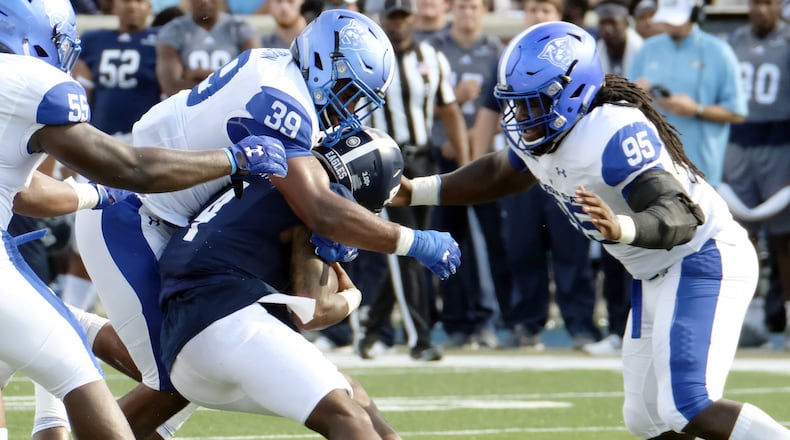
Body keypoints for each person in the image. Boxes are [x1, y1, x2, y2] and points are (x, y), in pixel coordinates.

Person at [394, 20, 790, 440]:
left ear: (573, 92)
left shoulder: (611, 133)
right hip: (653, 270)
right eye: (518, 103)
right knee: (646, 418)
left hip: (702, 257)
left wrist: (620, 225)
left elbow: (679, 213)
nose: (522, 116)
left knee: (687, 404)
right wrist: (415, 191)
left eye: (534, 102)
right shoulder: (551, 131)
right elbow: (501, 172)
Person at [74, 9, 460, 438]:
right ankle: (63, 333)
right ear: (321, 64)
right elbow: (321, 207)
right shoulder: (285, 98)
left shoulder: (280, 70)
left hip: (169, 217)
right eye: (349, 93)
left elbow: (347, 186)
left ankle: (65, 334)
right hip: (131, 213)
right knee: (169, 376)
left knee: (179, 376)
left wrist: (430, 191)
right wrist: (411, 240)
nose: (350, 112)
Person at [0, 0, 287, 438]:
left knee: (40, 353)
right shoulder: (28, 81)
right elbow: (132, 168)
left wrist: (96, 194)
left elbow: (24, 192)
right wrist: (232, 158)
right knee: (75, 369)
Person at [159, 128, 404, 440]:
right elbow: (314, 311)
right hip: (227, 321)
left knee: (352, 394)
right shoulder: (321, 198)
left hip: (182, 348)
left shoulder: (273, 173)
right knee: (345, 416)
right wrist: (353, 297)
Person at [471, 0, 602, 350]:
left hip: (569, 166)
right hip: (525, 166)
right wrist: (477, 163)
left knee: (571, 249)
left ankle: (581, 325)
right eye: (530, 9)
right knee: (523, 249)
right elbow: (488, 110)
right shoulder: (510, 58)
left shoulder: (576, 58)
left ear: (558, 14)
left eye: (544, 9)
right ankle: (527, 323)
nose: (537, 15)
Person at [353, 0, 468, 361]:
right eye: (392, 17)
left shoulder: (431, 57)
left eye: (403, 17)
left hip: (423, 157)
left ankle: (372, 322)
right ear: (382, 19)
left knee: (412, 252)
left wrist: (464, 165)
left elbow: (448, 109)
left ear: (412, 18)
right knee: (408, 249)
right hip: (385, 161)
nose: (399, 24)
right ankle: (420, 338)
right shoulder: (368, 59)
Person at [428, 0, 505, 349]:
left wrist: (473, 139)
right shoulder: (431, 49)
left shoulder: (498, 52)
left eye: (473, 6)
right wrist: (454, 103)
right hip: (439, 158)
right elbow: (408, 104)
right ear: (450, 10)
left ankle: (492, 320)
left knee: (491, 242)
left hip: (486, 160)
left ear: (485, 11)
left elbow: (512, 106)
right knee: (447, 241)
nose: (467, 13)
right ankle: (457, 321)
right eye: (461, 6)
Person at [724, 0, 790, 350]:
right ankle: (745, 319)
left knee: (784, 239)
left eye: (767, 3)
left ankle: (787, 320)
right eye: (755, 3)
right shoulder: (733, 42)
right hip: (740, 142)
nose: (760, 10)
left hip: (780, 143)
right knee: (739, 237)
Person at [581, 0, 644, 356]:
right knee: (611, 246)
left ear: (627, 22)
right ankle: (616, 327)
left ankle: (638, 329)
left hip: (638, 155)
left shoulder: (645, 53)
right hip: (602, 158)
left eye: (614, 22)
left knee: (640, 240)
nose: (608, 28)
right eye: (602, 21)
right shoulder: (592, 54)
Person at [627, 0, 747, 187]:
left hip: (701, 172)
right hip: (654, 168)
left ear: (695, 14)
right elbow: (625, 105)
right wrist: (637, 95)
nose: (671, 24)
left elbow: (737, 113)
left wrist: (696, 109)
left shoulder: (720, 52)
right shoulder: (647, 49)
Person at [155, 0, 259, 96]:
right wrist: (226, 78)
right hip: (189, 110)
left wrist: (196, 74)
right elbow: (171, 88)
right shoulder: (173, 30)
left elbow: (251, 81)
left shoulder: (240, 28)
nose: (205, 1)